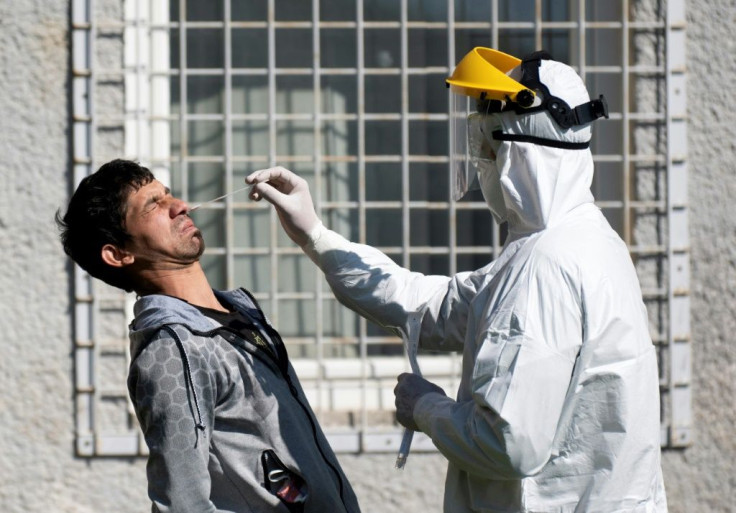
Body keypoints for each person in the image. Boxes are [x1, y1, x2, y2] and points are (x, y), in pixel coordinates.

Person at [246, 48, 668, 512]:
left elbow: (508, 444)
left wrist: (425, 408)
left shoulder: (545, 267)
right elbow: (429, 305)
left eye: (487, 145)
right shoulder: (582, 242)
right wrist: (318, 237)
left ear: (515, 151)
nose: (482, 160)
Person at [56, 159, 361, 513]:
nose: (180, 206)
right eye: (153, 205)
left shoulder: (239, 313)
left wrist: (315, 232)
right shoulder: (171, 347)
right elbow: (181, 503)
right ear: (119, 253)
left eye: (167, 194)